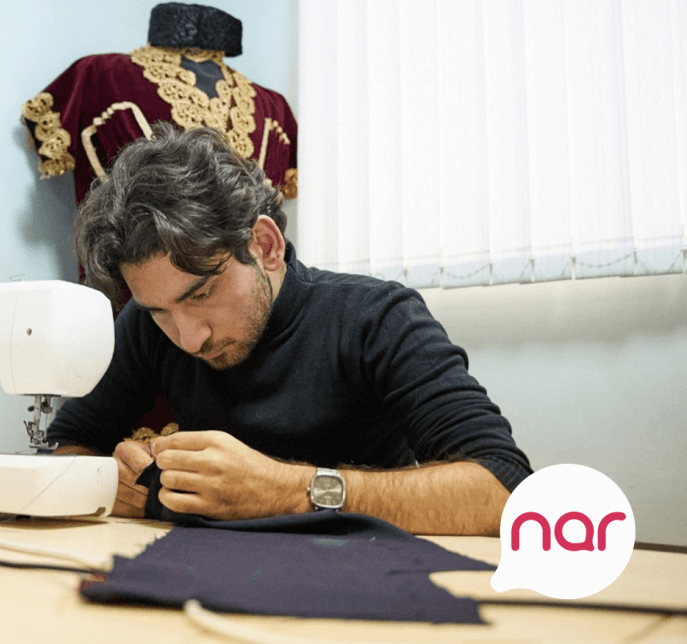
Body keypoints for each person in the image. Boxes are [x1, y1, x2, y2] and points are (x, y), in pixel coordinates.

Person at [47, 122, 532, 535]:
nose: (190, 339)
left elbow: (506, 488)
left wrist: (291, 491)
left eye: (201, 294)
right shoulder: (148, 322)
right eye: (160, 311)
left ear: (264, 245)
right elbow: (67, 446)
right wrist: (107, 480)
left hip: (364, 575)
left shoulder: (378, 318)